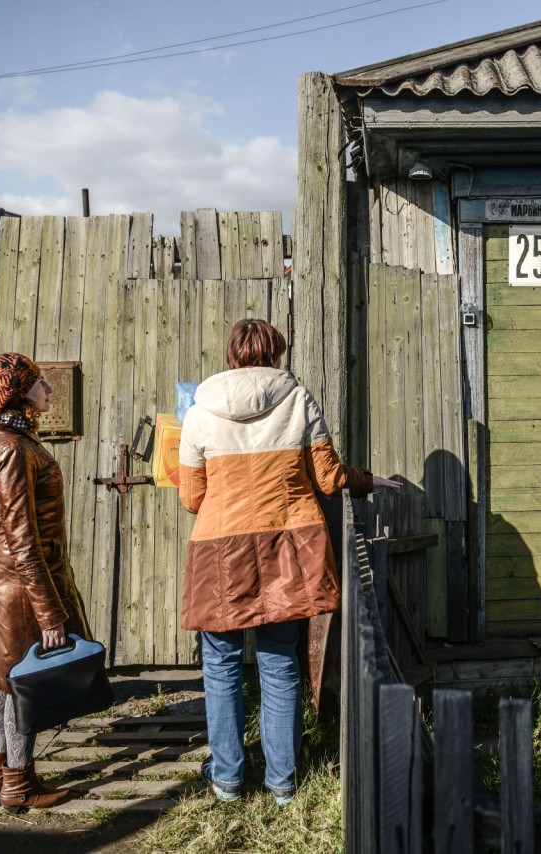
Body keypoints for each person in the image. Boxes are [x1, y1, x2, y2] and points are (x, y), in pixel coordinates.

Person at [178, 319, 398, 805]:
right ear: (275, 353)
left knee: (221, 665)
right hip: (287, 546)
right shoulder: (299, 400)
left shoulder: (198, 412)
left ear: (232, 354)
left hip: (221, 551)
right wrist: (368, 480)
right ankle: (282, 785)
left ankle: (229, 781)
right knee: (280, 663)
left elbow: (192, 497)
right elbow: (327, 477)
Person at [0, 352, 91, 810]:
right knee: (21, 678)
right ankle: (20, 784)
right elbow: (24, 540)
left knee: (0, 678)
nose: (50, 390)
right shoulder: (13, 449)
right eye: (41, 384)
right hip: (19, 578)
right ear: (21, 393)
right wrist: (50, 613)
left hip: (2, 572)